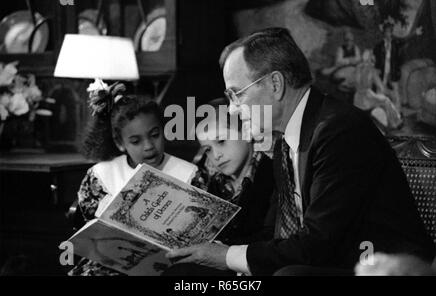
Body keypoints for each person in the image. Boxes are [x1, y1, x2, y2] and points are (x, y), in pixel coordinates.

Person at [166, 27, 435, 276]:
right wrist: (214, 249)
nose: (234, 109)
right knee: (186, 272)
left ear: (275, 84)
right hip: (319, 260)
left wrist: (226, 256)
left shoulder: (339, 130)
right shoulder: (285, 140)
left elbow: (318, 243)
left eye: (237, 94)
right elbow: (274, 233)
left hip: (381, 268)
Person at [69, 82, 197, 276]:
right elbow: (91, 231)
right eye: (136, 141)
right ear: (120, 143)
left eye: (154, 135)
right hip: (112, 264)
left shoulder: (188, 173)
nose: (148, 146)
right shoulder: (102, 175)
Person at [163, 98, 275, 276]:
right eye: (208, 149)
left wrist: (222, 248)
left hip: (255, 264)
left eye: (221, 141)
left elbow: (274, 235)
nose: (216, 155)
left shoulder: (272, 172)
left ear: (246, 132)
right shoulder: (210, 181)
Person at [353, 49, 402, 130]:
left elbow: (355, 84)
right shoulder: (372, 70)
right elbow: (382, 89)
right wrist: (392, 92)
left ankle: (391, 122)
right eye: (372, 57)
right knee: (386, 100)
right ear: (370, 58)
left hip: (357, 99)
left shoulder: (358, 68)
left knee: (380, 98)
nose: (374, 59)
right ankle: (396, 123)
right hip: (367, 99)